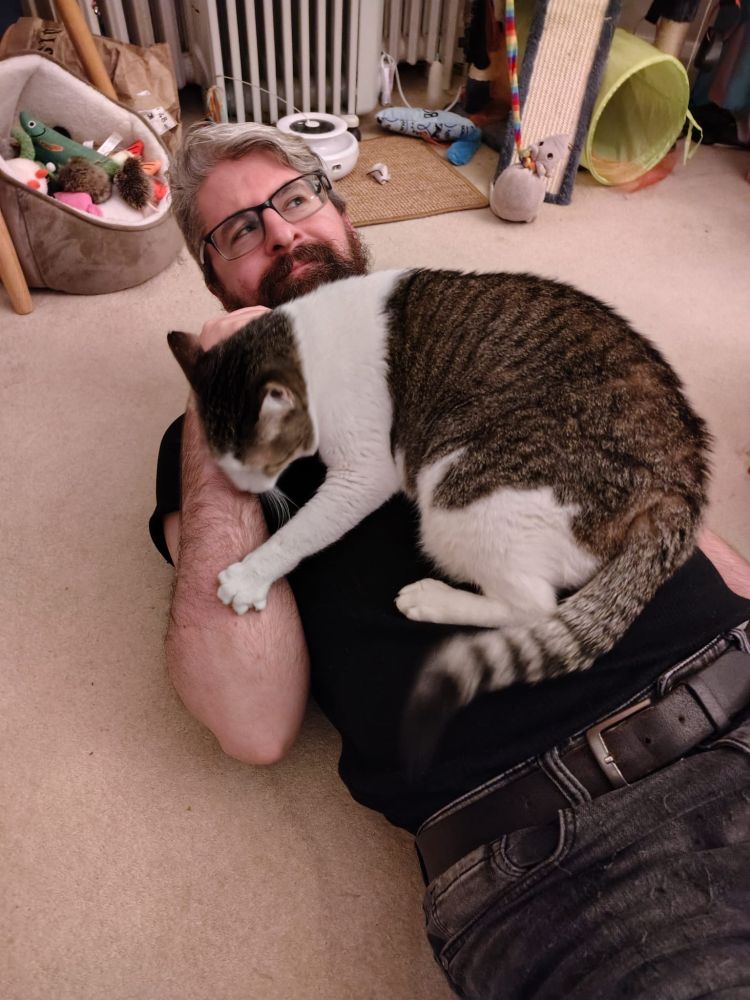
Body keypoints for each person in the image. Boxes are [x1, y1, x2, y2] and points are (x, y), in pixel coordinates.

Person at [151, 121, 750, 999]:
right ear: (217, 284)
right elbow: (248, 721)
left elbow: (671, 506)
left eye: (295, 200)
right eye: (241, 230)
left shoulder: (475, 312)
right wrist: (215, 403)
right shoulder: (210, 449)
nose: (281, 232)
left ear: (343, 215)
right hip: (572, 846)